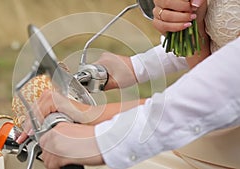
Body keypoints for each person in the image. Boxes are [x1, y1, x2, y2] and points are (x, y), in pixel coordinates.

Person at [16, 0, 240, 168]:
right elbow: (225, 45)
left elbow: (226, 85)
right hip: (204, 139)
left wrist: (100, 136)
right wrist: (139, 66)